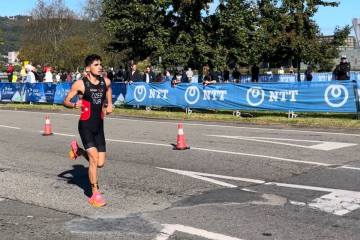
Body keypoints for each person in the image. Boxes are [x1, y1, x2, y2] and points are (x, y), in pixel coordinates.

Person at [63, 54, 113, 207]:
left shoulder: (106, 81)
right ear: (88, 68)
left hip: (99, 127)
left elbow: (108, 90)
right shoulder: (80, 84)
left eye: (100, 64)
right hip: (85, 125)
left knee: (100, 163)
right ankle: (95, 194)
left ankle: (78, 151)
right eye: (96, 65)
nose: (100, 67)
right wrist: (73, 105)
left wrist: (109, 103)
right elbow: (65, 101)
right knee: (93, 160)